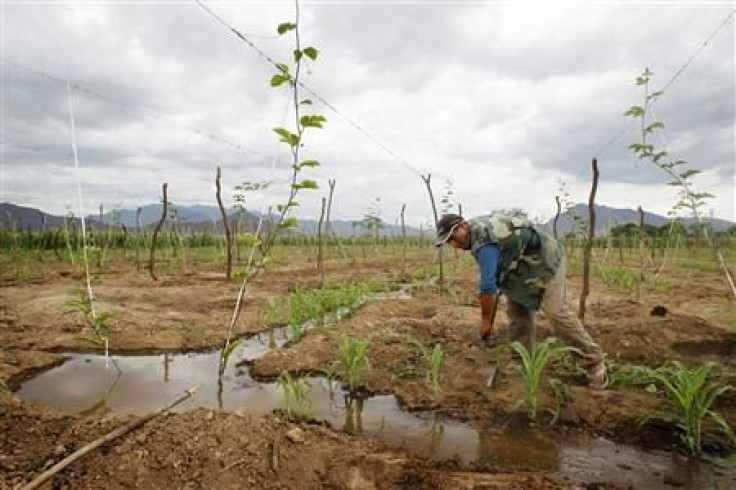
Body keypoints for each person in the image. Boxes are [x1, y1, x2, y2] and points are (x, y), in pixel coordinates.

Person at [435, 212, 608, 390]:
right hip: (520, 265)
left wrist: (486, 321)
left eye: (452, 237)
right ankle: (522, 364)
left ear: (464, 226)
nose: (452, 244)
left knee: (557, 312)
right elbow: (496, 272)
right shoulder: (474, 236)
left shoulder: (484, 239)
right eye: (448, 241)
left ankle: (594, 363)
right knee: (518, 313)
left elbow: (488, 288)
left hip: (544, 259)